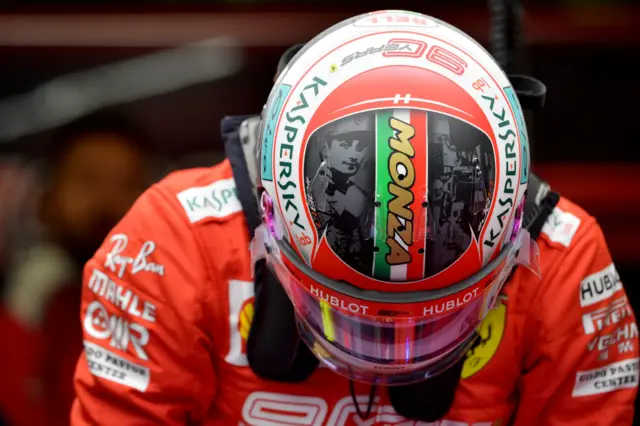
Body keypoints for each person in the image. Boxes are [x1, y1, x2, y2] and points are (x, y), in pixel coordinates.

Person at [71, 11, 638, 426]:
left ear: (511, 239)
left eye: (423, 320)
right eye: (356, 313)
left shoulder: (566, 261)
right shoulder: (172, 243)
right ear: (271, 220)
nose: (391, 348)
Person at [0, 111, 147, 426]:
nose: (108, 199)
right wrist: (21, 314)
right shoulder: (31, 304)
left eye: (127, 182)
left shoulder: (167, 306)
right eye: (87, 179)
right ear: (48, 197)